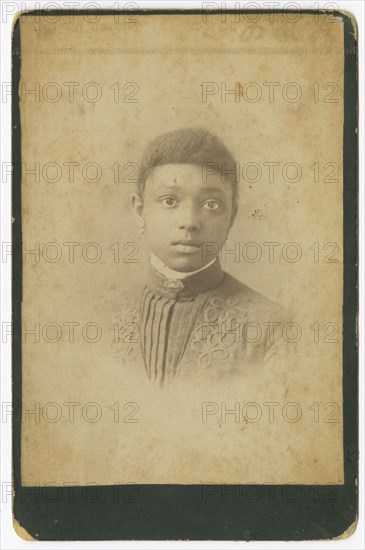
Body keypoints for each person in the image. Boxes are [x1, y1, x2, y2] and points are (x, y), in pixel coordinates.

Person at [116, 127, 290, 386]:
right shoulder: (98, 318)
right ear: (140, 211)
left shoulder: (272, 327)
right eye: (169, 201)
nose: (189, 222)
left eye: (211, 204)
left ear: (231, 217)